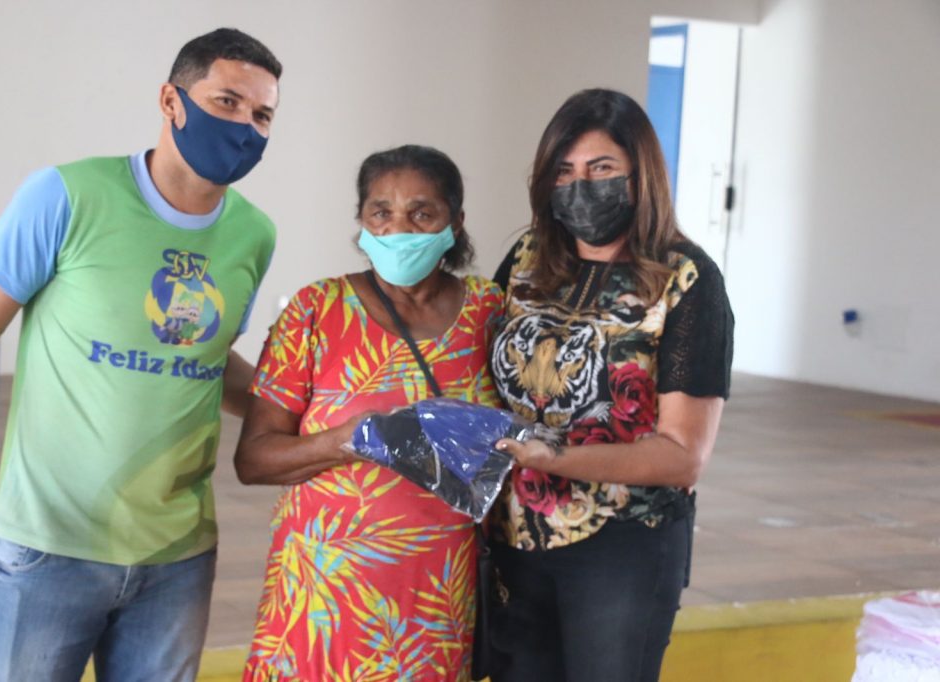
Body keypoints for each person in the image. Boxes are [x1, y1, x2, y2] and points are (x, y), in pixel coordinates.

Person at [0, 28, 281, 681]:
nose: (244, 127)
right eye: (226, 102)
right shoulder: (66, 195)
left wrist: (312, 419)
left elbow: (207, 358)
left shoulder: (253, 235)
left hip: (179, 556)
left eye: (262, 115)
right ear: (170, 101)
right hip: (51, 544)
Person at [487, 88, 734, 682]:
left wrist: (557, 458)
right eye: (564, 171)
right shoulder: (526, 258)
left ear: (641, 176)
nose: (581, 186)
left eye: (601, 169)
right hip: (515, 535)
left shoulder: (687, 280)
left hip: (623, 546)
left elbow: (683, 456)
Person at [234, 145, 503, 681]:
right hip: (324, 598)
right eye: (381, 212)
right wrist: (349, 439)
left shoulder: (489, 311)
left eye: (421, 213)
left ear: (456, 222)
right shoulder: (316, 311)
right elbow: (254, 460)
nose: (398, 228)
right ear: (361, 220)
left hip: (437, 596)